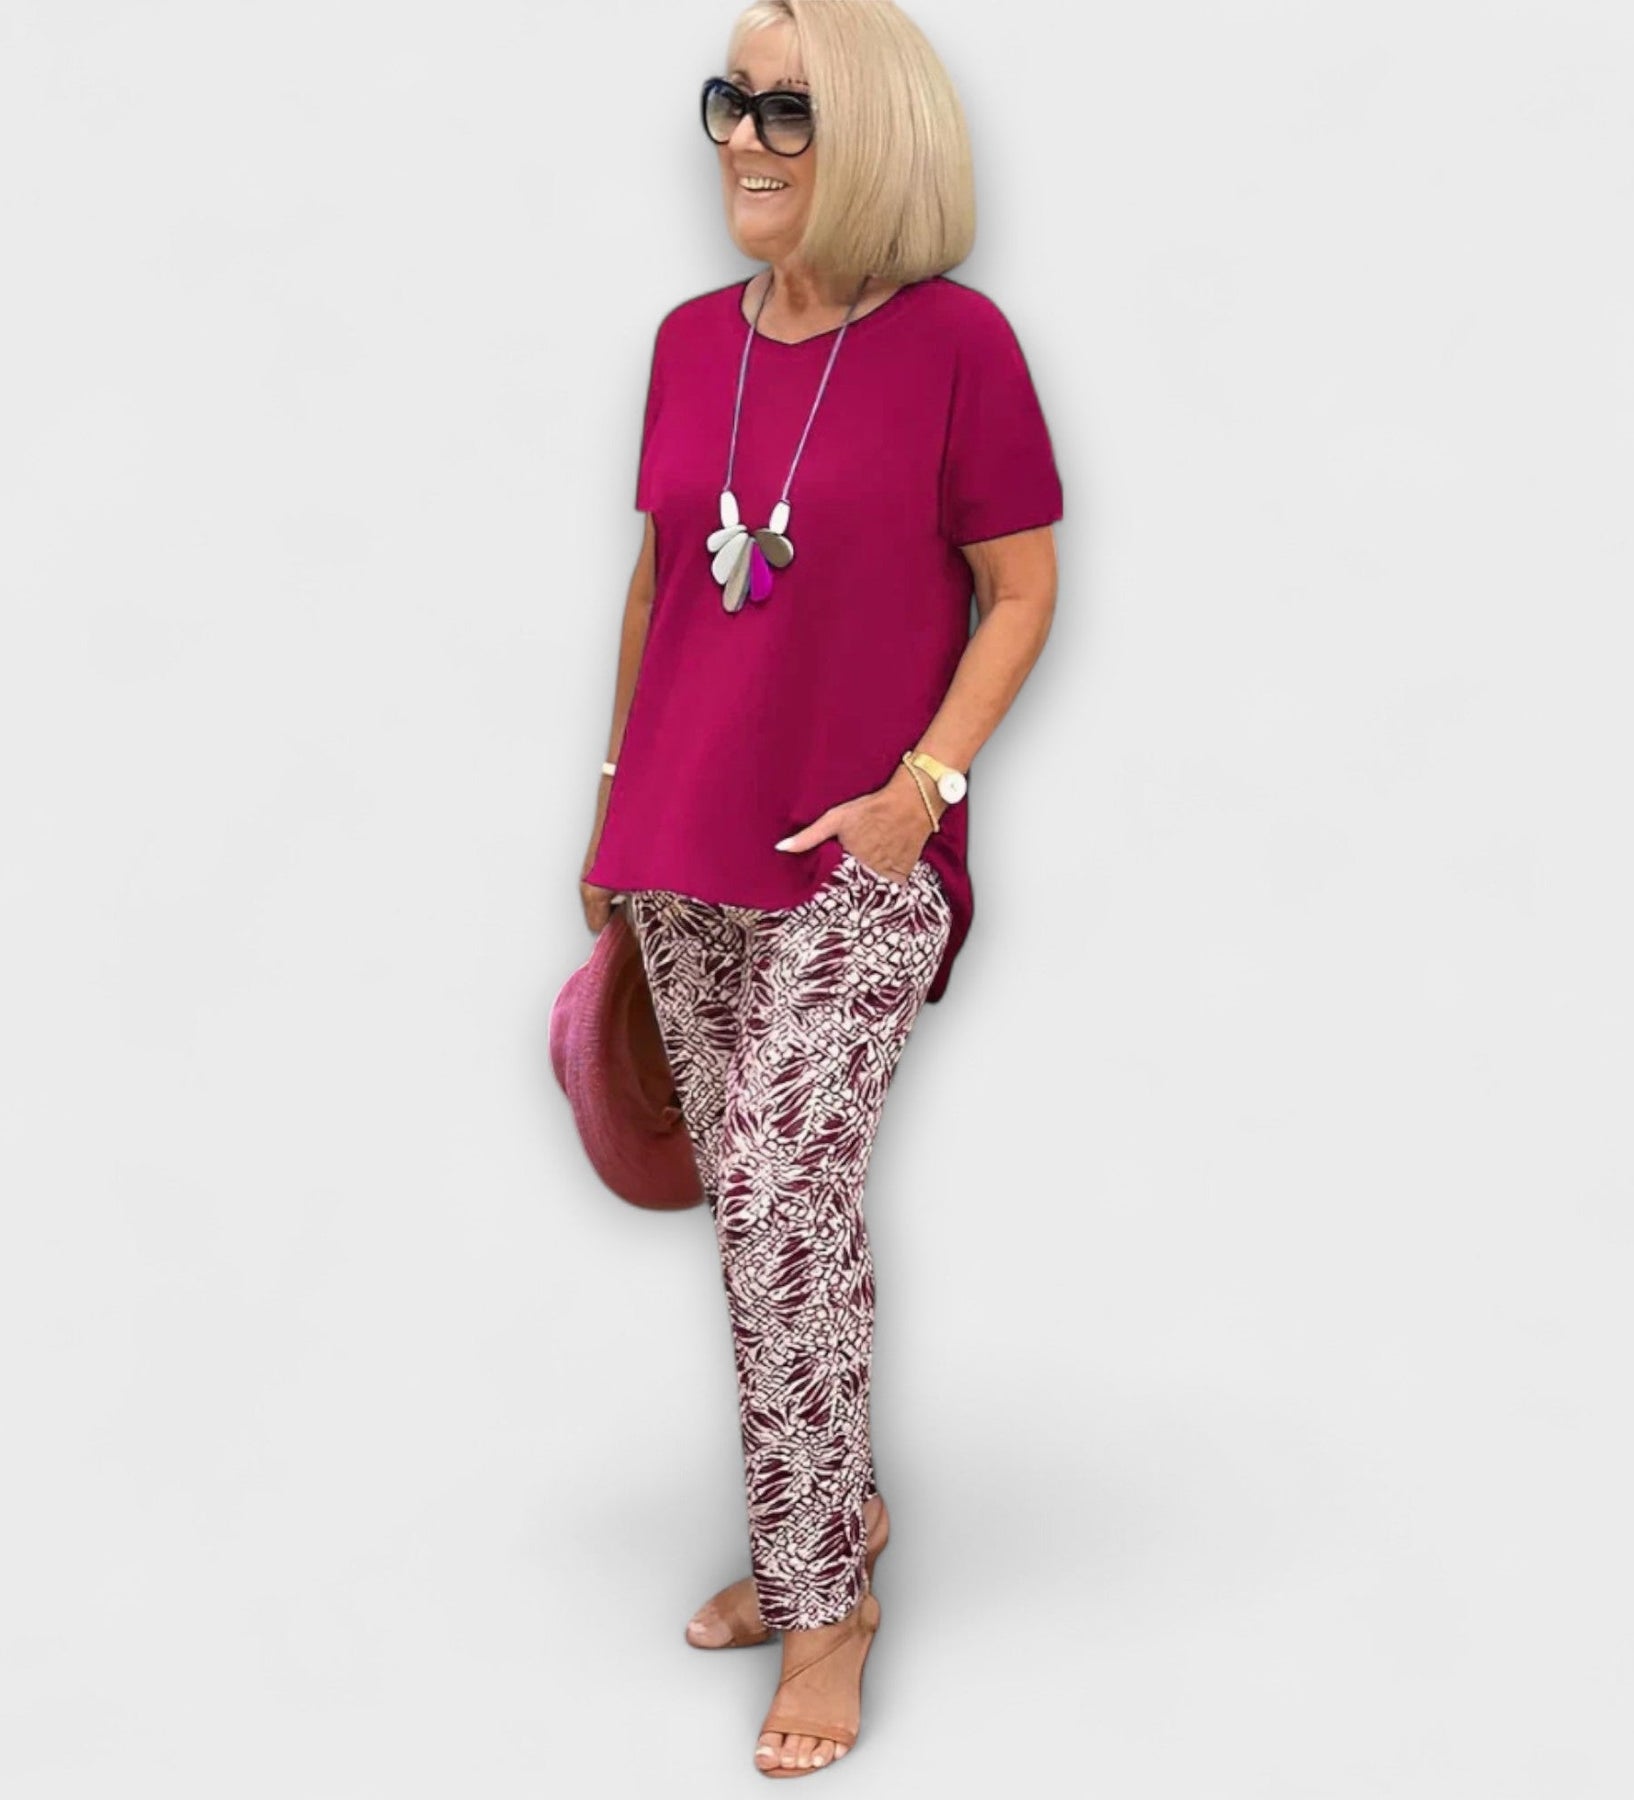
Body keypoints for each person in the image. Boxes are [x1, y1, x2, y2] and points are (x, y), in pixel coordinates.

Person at [578, 0, 1063, 1776]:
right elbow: (660, 588)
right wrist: (610, 808)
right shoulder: (685, 342)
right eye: (732, 101)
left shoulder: (958, 345)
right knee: (763, 1213)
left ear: (875, 132)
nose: (743, 137)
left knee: (786, 1193)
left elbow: (1023, 588)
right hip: (681, 846)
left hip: (860, 848)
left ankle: (823, 1602)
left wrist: (922, 791)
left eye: (787, 108)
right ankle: (828, 1512)